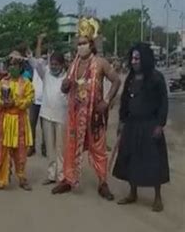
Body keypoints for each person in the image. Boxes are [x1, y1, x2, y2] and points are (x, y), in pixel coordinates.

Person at [52, 18, 121, 200]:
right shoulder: (73, 65)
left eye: (83, 43)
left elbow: (116, 81)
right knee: (70, 146)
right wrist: (65, 85)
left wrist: (106, 100)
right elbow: (65, 88)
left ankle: (103, 183)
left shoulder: (100, 63)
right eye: (79, 44)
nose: (80, 46)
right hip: (75, 114)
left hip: (94, 115)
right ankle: (68, 179)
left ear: (91, 44)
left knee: (98, 149)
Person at [113, 43, 170, 212]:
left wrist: (160, 124)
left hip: (150, 125)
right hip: (131, 125)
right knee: (131, 160)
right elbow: (124, 101)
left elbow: (163, 103)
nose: (134, 61)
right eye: (132, 58)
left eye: (137, 58)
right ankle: (132, 193)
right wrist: (121, 122)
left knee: (154, 162)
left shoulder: (156, 78)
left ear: (144, 59)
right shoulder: (130, 78)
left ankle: (157, 198)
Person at [29, 35, 68, 185]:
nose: (54, 66)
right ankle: (51, 174)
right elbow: (37, 60)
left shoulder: (67, 78)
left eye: (57, 64)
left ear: (62, 64)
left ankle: (61, 175)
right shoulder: (45, 73)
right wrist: (39, 42)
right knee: (50, 148)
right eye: (52, 63)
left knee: (60, 148)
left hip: (61, 117)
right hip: (46, 115)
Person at [0, 51, 34, 191]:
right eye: (10, 65)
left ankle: (22, 178)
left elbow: (29, 100)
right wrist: (2, 103)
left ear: (21, 67)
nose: (12, 67)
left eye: (16, 65)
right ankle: (1, 179)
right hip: (5, 120)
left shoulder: (26, 83)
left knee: (20, 151)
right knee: (2, 151)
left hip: (19, 120)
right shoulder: (2, 82)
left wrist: (15, 102)